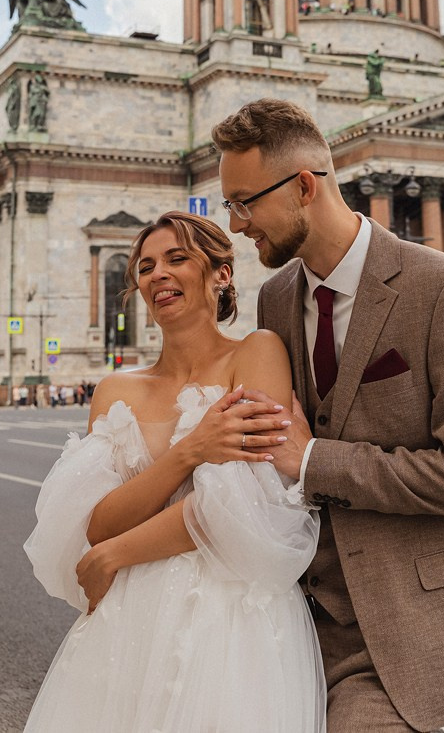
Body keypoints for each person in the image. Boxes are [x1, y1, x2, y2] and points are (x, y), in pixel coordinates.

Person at [212, 99, 444, 733]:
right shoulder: (274, 299)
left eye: (245, 203)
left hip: (405, 629)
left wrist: (316, 460)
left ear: (303, 186)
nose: (239, 225)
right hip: (293, 621)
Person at [23, 211, 325, 733]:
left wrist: (115, 554)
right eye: (145, 267)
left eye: (177, 258)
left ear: (221, 275)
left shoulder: (257, 351)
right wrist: (189, 454)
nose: (157, 274)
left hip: (230, 615)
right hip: (126, 622)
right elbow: (97, 524)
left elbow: (244, 506)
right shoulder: (115, 391)